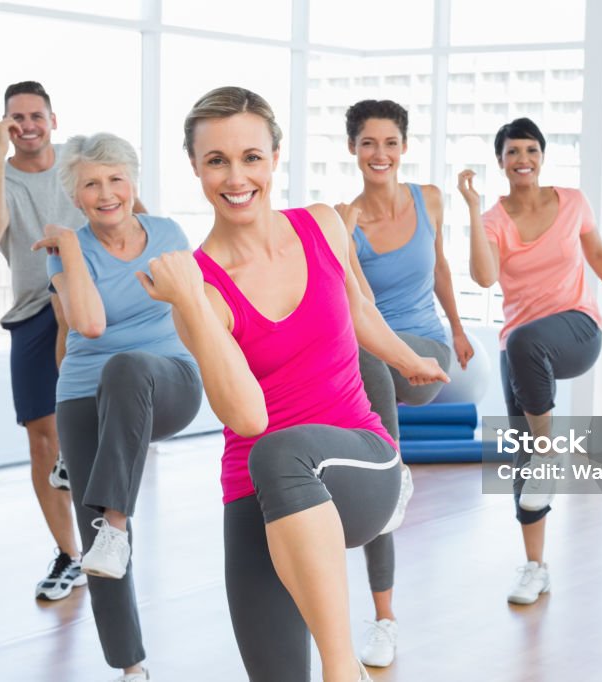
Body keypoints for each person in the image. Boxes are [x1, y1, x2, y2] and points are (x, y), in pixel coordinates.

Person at [138, 86, 447, 682]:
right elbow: (247, 418)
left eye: (251, 156)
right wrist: (192, 305)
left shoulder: (323, 225)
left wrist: (409, 358)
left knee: (282, 453)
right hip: (256, 488)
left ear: (275, 156)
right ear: (196, 168)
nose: (236, 177)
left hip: (358, 463)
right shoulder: (197, 290)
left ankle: (342, 670)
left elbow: (358, 309)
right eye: (216, 161)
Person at [33, 132, 202, 682]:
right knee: (100, 547)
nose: (106, 193)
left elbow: (197, 305)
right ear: (76, 197)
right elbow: (89, 323)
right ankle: (132, 668)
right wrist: (74, 247)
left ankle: (116, 520)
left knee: (126, 365)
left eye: (115, 179)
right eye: (90, 184)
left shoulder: (170, 233)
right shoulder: (65, 253)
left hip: (168, 380)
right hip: (85, 393)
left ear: (133, 182)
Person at [457, 117, 602, 606]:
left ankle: (549, 452)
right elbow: (482, 276)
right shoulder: (494, 219)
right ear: (500, 161)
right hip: (520, 348)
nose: (523, 159)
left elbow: (599, 253)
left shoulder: (572, 202)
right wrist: (474, 212)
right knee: (522, 462)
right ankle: (535, 567)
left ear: (542, 157)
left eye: (531, 150)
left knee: (524, 346)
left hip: (578, 329)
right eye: (513, 152)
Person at [336, 99, 474, 668]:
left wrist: (461, 329)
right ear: (352, 149)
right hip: (375, 355)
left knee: (372, 373)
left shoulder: (430, 199)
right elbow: (352, 303)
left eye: (390, 142)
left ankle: (389, 468)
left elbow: (440, 266)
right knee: (376, 487)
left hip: (427, 353)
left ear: (404, 147)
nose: (380, 154)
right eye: (368, 143)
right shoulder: (346, 220)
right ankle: (384, 618)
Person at [0, 80, 85, 601]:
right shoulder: (2, 177)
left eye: (37, 115)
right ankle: (70, 555)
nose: (28, 125)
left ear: (53, 121)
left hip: (93, 307)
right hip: (36, 313)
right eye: (17, 118)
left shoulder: (81, 163)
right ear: (6, 126)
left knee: (95, 431)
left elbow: (138, 215)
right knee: (41, 440)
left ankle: (110, 540)